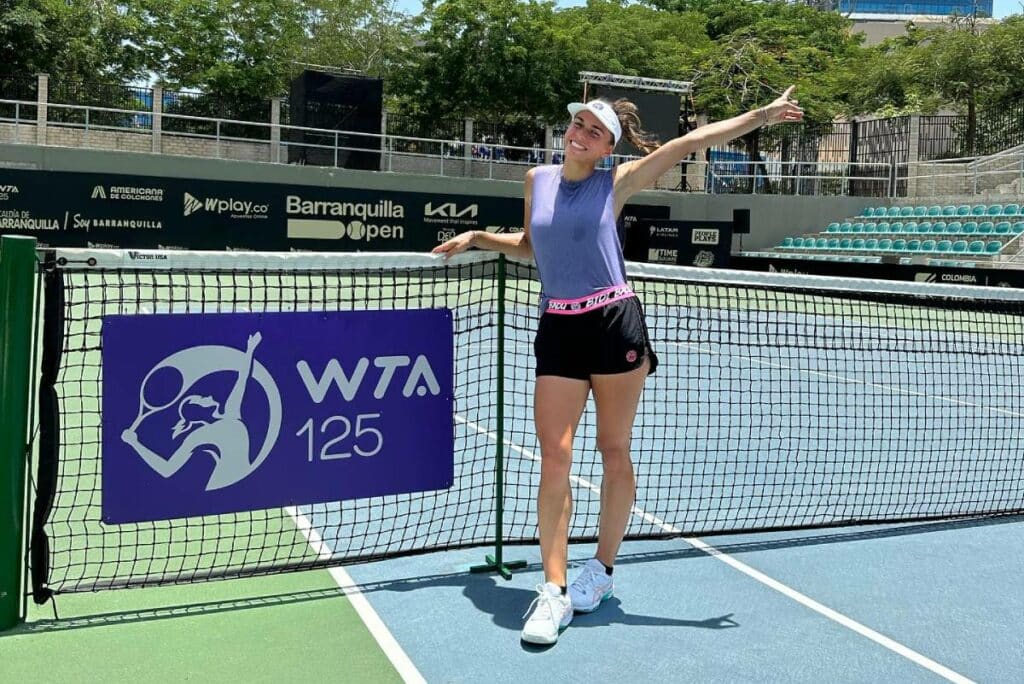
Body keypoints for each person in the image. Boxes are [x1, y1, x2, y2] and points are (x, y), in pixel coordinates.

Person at [433, 88, 804, 645]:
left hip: (613, 323)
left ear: (608, 148)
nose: (580, 134)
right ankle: (553, 589)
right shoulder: (537, 180)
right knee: (555, 455)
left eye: (594, 131)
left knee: (613, 449)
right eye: (577, 124)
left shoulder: (615, 183)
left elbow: (690, 142)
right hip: (559, 327)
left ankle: (601, 570)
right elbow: (532, 246)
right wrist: (480, 237)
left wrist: (763, 115)